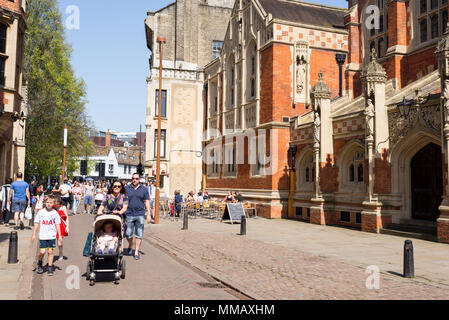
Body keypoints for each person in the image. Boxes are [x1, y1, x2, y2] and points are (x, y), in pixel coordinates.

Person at [31, 196, 61, 276]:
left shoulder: (55, 213)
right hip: (43, 235)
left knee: (50, 252)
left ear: (53, 204)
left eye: (51, 203)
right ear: (45, 203)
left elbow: (57, 224)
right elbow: (36, 223)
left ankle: (50, 267)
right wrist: (34, 234)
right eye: (47, 202)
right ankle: (39, 263)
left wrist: (60, 235)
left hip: (51, 236)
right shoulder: (41, 212)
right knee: (42, 252)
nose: (49, 204)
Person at [125, 173, 151, 260]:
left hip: (140, 214)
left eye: (136, 178)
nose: (134, 180)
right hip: (129, 214)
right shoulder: (127, 188)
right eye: (133, 178)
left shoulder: (144, 189)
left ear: (139, 179)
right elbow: (123, 200)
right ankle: (130, 244)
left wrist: (149, 214)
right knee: (128, 234)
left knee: (139, 234)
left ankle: (136, 251)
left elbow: (146, 201)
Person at [53, 196, 69, 261]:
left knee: (59, 242)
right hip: (52, 226)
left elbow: (67, 217)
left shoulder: (63, 207)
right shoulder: (52, 207)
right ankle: (51, 255)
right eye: (55, 204)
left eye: (57, 204)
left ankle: (61, 253)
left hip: (61, 226)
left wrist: (67, 226)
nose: (56, 206)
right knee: (51, 242)